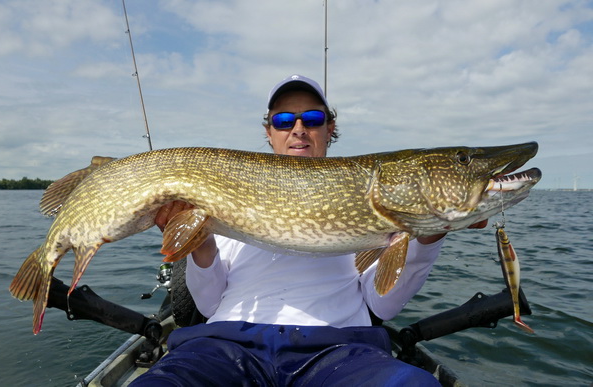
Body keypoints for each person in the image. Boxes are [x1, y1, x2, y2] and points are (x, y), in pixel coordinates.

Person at [133, 74, 485, 386]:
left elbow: (385, 304)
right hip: (226, 343)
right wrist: (201, 244)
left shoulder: (372, 204)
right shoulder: (223, 194)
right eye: (284, 120)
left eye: (312, 118)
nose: (298, 128)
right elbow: (209, 304)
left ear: (329, 129)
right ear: (269, 132)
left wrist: (429, 235)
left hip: (340, 351)